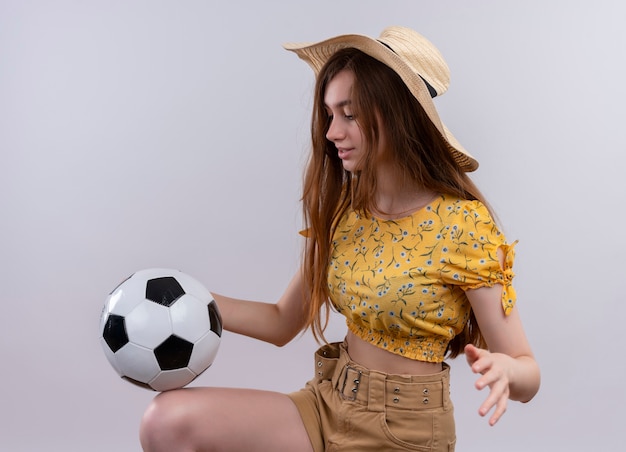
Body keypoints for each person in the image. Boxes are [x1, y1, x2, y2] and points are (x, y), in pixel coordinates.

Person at [139, 26, 540, 452]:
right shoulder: (344, 214)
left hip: (403, 430)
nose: (332, 133)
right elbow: (281, 321)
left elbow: (527, 373)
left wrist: (507, 372)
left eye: (349, 114)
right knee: (166, 422)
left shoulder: (464, 225)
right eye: (330, 115)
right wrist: (186, 298)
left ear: (397, 114)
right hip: (326, 403)